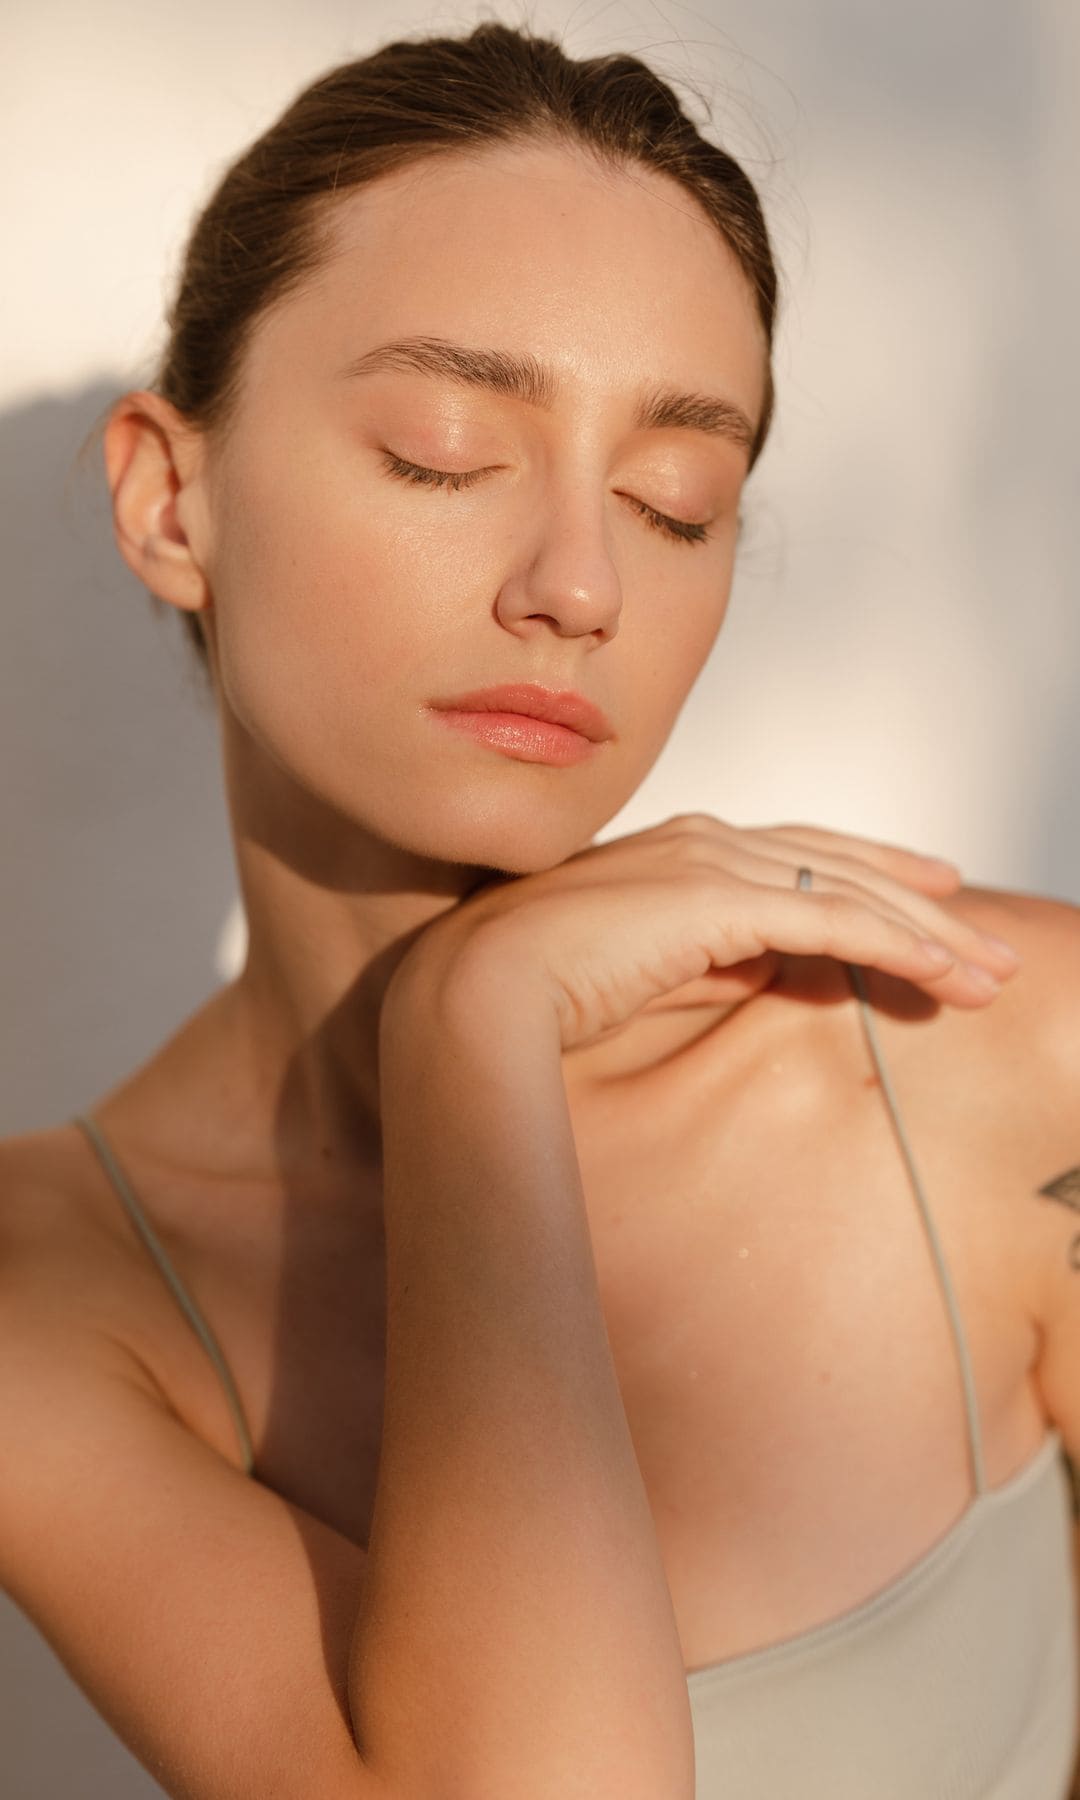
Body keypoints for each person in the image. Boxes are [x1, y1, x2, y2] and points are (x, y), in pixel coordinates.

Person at [1, 18, 1077, 1799]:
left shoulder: (986, 1038)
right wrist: (471, 1041)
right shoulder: (52, 1304)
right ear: (169, 499)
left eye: (678, 499)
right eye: (443, 451)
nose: (578, 583)